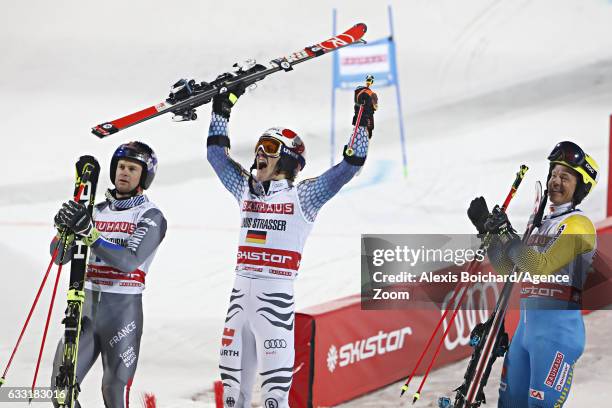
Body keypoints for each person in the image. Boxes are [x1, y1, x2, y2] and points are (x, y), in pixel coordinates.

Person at [206, 72, 377, 408]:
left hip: (274, 310)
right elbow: (216, 156)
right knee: (231, 398)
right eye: (258, 147)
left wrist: (364, 117)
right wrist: (221, 109)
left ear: (286, 158)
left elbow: (350, 165)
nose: (259, 154)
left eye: (269, 148)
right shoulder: (245, 189)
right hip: (239, 305)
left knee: (274, 399)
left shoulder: (305, 197)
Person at [468, 141, 599, 408]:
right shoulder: (539, 223)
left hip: (557, 336)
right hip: (525, 333)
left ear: (581, 186)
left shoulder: (579, 225)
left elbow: (539, 266)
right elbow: (511, 271)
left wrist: (506, 234)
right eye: (553, 174)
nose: (555, 182)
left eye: (565, 177)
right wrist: (489, 233)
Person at [50, 141, 167, 408]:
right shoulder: (95, 210)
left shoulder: (150, 215)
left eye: (132, 169)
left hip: (122, 315)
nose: (124, 172)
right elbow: (59, 257)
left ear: (144, 177)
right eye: (121, 167)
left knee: (114, 392)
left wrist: (90, 234)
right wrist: (62, 231)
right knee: (60, 391)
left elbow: (129, 261)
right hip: (86, 313)